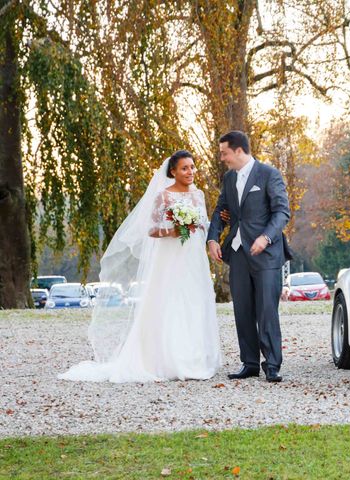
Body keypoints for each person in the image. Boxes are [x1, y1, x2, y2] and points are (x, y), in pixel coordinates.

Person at [59, 151, 222, 382]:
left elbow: (203, 223)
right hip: (170, 257)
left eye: (193, 167)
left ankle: (195, 357)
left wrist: (205, 225)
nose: (190, 172)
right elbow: (151, 229)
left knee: (195, 301)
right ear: (173, 171)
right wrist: (174, 230)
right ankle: (168, 360)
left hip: (194, 257)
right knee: (171, 302)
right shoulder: (163, 197)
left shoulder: (199, 195)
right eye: (184, 168)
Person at [207, 131, 291, 383]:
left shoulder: (269, 175)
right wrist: (212, 238)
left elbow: (281, 212)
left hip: (266, 254)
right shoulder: (228, 178)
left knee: (266, 309)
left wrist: (265, 237)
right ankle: (250, 363)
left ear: (239, 151)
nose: (222, 158)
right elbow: (221, 209)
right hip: (238, 253)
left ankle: (273, 364)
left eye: (225, 153)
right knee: (242, 310)